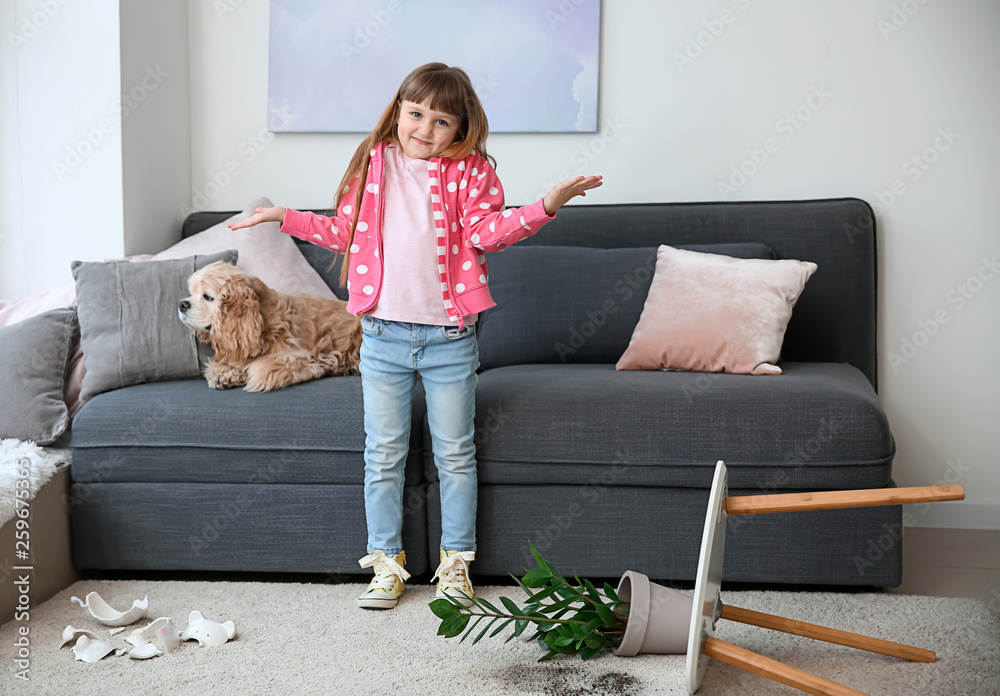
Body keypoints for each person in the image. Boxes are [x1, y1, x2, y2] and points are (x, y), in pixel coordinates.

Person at [230, 62, 602, 610]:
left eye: (442, 121)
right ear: (398, 111)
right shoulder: (373, 163)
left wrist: (544, 207)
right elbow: (342, 232)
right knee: (383, 455)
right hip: (380, 336)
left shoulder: (472, 173)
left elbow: (488, 233)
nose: (425, 129)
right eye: (416, 114)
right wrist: (286, 216)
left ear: (461, 128)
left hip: (449, 340)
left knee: (455, 455)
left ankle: (456, 565)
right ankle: (386, 563)